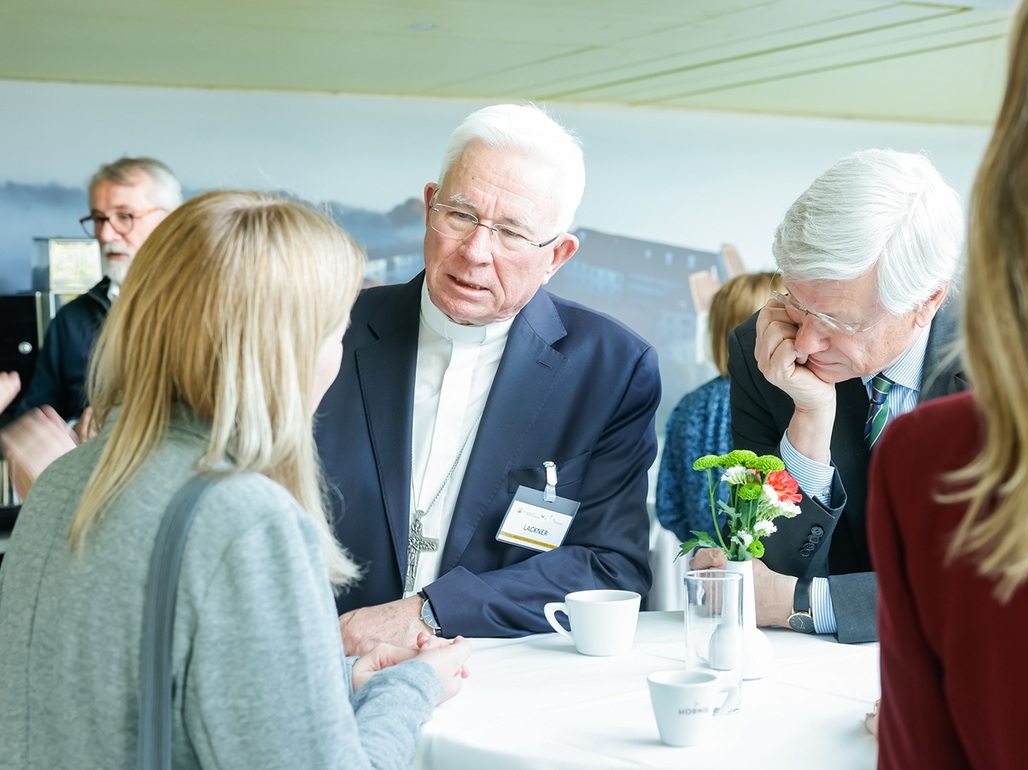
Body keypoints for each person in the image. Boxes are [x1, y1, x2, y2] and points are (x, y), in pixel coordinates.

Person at [0, 190, 471, 767]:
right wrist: (412, 686)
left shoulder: (63, 483)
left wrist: (338, 676)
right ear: (284, 351)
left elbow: (122, 706)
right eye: (335, 332)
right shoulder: (246, 519)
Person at [315, 103, 661, 650]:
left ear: (558, 255)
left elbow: (608, 567)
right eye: (460, 215)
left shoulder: (610, 367)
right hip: (322, 659)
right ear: (430, 207)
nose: (475, 252)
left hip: (497, 675)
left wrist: (429, 613)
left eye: (512, 234)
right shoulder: (328, 330)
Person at [869, 0, 1028, 765]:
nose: (809, 338)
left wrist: (805, 607)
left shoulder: (936, 454)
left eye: (837, 312)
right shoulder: (926, 457)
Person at [692, 148, 967, 643]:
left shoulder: (1019, 365)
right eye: (797, 304)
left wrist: (806, 603)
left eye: (840, 322)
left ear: (927, 301)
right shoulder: (761, 348)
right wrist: (810, 419)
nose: (803, 344)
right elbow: (763, 567)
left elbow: (995, 585)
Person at [18, 156, 182, 423]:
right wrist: (75, 430)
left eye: (124, 216)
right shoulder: (71, 320)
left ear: (171, 222)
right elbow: (35, 422)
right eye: (98, 218)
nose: (105, 235)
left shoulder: (208, 308)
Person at [655, 271, 777, 542]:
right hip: (785, 576)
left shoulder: (690, 405)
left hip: (710, 570)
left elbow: (668, 507)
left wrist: (709, 548)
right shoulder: (789, 403)